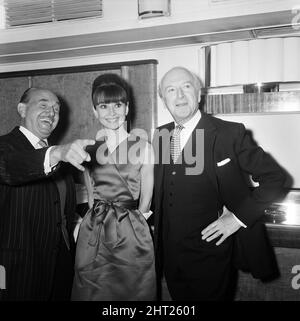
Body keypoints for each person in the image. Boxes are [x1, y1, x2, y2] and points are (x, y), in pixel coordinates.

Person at [153, 66, 286, 301]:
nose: (180, 96)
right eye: (171, 90)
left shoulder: (228, 133)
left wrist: (237, 218)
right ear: (164, 99)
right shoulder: (160, 136)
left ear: (199, 93)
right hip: (171, 258)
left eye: (186, 87)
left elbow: (275, 178)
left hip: (211, 256)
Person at [0, 87, 95, 301]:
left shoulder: (61, 159)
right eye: (43, 105)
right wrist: (56, 152)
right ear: (22, 110)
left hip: (59, 266)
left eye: (56, 109)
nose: (51, 113)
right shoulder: (5, 147)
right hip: (16, 269)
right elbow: (9, 167)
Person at [71, 73, 156, 301]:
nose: (112, 112)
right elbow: (91, 197)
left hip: (130, 229)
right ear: (94, 111)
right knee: (92, 290)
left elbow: (146, 200)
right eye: (104, 106)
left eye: (118, 105)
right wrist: (82, 224)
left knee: (131, 289)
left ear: (127, 108)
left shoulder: (144, 147)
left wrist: (136, 227)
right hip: (94, 229)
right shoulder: (88, 150)